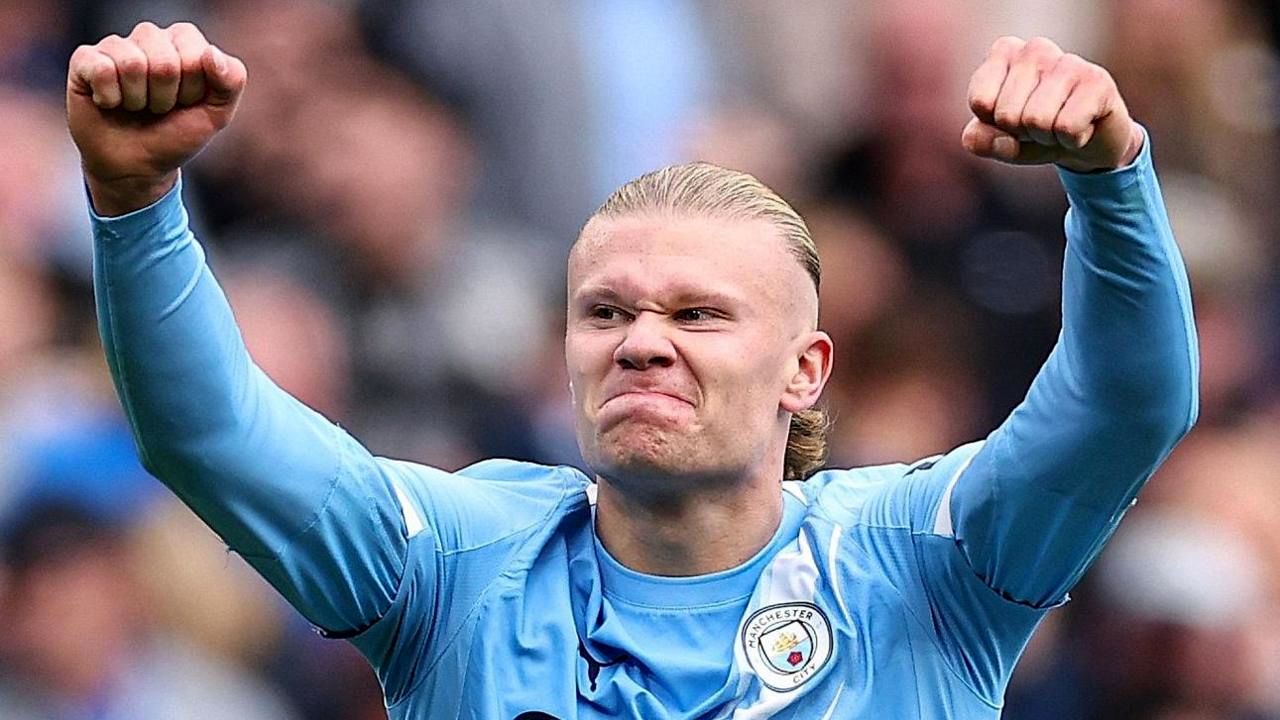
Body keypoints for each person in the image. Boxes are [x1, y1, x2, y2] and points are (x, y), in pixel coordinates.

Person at [66, 21, 1197, 719]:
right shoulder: (454, 570)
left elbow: (1126, 405)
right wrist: (134, 199)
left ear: (805, 371)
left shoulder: (925, 565)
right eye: (604, 310)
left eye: (699, 314)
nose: (640, 340)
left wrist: (1109, 181)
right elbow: (208, 434)